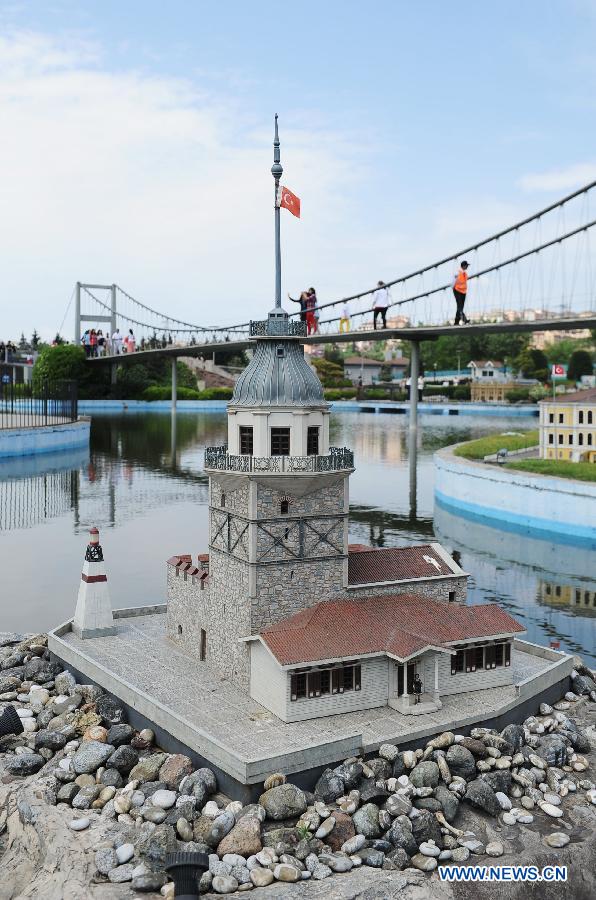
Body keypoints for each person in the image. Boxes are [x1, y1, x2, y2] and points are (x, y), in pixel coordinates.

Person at [453, 260, 470, 325]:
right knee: (460, 306)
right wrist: (454, 289)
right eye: (467, 265)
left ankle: (456, 322)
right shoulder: (457, 272)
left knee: (460, 307)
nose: (467, 267)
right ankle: (464, 319)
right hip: (457, 290)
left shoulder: (465, 274)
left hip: (463, 292)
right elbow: (453, 282)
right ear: (464, 266)